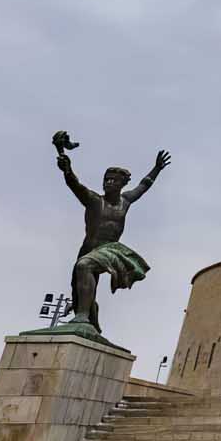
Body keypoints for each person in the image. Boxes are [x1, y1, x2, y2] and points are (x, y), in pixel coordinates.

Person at [57, 143, 170, 334]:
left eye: (113, 180)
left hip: (111, 249)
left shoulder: (125, 201)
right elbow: (75, 185)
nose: (108, 183)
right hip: (88, 249)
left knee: (84, 266)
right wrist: (67, 170)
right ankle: (89, 317)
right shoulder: (94, 200)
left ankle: (83, 316)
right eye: (106, 180)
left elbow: (144, 185)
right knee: (77, 290)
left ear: (122, 184)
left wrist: (157, 168)